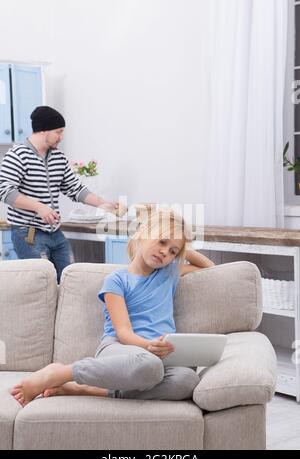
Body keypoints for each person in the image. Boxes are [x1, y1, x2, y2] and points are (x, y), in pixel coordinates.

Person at [11, 209, 215, 406]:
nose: (164, 252)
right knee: (149, 367)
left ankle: (91, 390)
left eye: (172, 251)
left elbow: (210, 269)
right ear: (143, 232)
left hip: (157, 357)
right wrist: (147, 347)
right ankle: (62, 373)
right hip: (120, 348)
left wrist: (181, 247)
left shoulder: (169, 273)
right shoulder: (116, 281)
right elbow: (123, 332)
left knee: (188, 380)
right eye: (162, 241)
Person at [0, 106, 121, 282]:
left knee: (70, 279)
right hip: (28, 233)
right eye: (58, 132)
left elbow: (75, 188)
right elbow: (5, 190)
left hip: (55, 233)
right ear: (43, 130)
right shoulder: (17, 155)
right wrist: (39, 207)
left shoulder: (58, 157)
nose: (61, 137)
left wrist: (103, 204)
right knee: (43, 284)